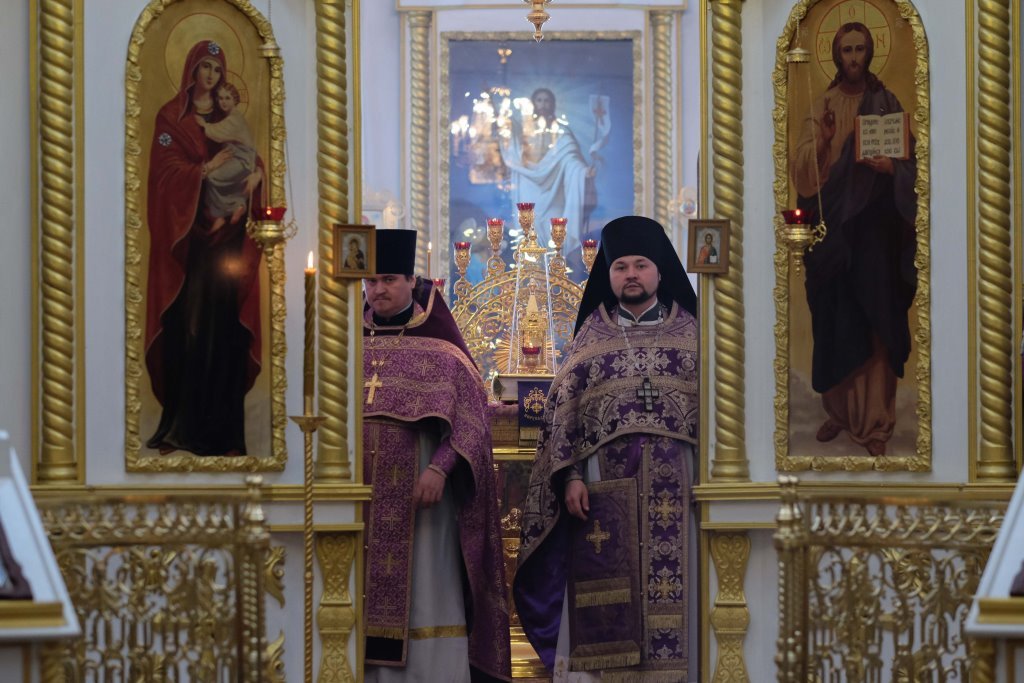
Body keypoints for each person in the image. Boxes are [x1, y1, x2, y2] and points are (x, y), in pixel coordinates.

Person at [513, 216, 699, 681]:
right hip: (602, 490)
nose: (631, 275)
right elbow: (562, 415)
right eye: (620, 267)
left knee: (681, 595)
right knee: (608, 598)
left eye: (640, 265)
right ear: (609, 274)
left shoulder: (694, 334)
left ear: (659, 270)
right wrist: (571, 477)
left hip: (681, 489)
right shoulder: (590, 338)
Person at [361, 229, 511, 682]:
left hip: (419, 502)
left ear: (412, 280)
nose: (378, 290)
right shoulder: (347, 340)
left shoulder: (442, 347)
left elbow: (472, 419)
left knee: (424, 592)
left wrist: (440, 468)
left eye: (389, 279)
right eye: (370, 281)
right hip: (357, 499)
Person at [789, 22, 917, 457]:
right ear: (837, 55)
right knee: (835, 317)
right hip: (834, 232)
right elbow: (803, 174)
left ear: (871, 52)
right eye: (847, 50)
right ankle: (840, 412)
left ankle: (877, 422)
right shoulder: (822, 104)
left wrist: (891, 169)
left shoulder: (886, 102)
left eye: (861, 49)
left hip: (877, 232)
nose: (854, 58)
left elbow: (914, 164)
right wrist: (825, 143)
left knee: (876, 320)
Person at [145, 39, 265, 456]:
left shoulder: (226, 115)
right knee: (189, 329)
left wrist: (257, 178)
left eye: (217, 70)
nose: (211, 76)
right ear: (192, 70)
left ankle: (224, 436)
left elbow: (251, 158)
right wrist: (204, 170)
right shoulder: (171, 118)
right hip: (189, 247)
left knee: (226, 332)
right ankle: (180, 428)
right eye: (205, 68)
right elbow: (163, 177)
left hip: (228, 246)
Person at [500, 87, 610, 251]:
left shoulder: (562, 132)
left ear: (553, 104)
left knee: (555, 235)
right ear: (533, 104)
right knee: (528, 235)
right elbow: (512, 152)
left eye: (547, 100)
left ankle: (555, 266)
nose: (543, 104)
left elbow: (571, 160)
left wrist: (583, 172)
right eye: (539, 100)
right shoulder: (523, 132)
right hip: (528, 188)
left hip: (554, 191)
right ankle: (529, 267)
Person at [194, 81, 257, 233]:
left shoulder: (235, 119)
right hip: (235, 157)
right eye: (220, 98)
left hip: (242, 160)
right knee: (221, 182)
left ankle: (232, 207)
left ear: (235, 100)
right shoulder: (230, 117)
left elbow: (217, 132)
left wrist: (203, 124)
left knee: (212, 177)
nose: (223, 102)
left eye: (227, 98)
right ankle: (227, 212)